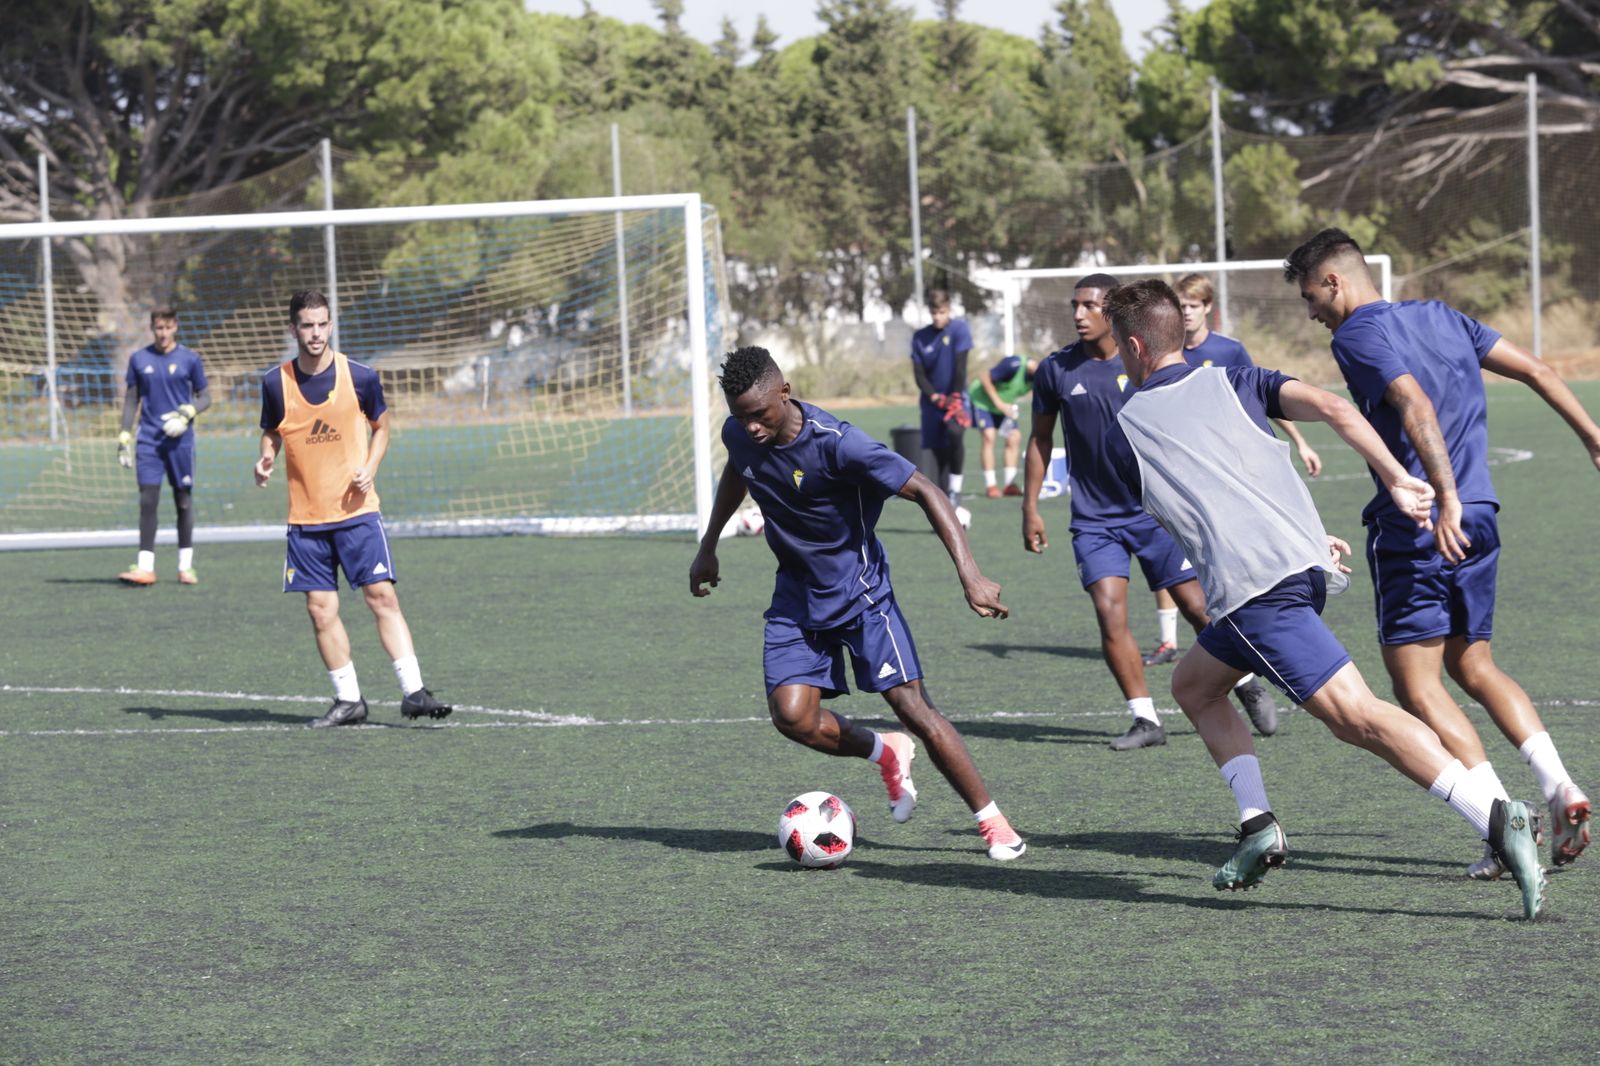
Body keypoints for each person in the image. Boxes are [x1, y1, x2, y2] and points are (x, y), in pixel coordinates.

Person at [1101, 278, 1546, 917]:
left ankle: (1500, 821)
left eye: (1119, 345)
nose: (1119, 357)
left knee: (1356, 717)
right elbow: (1333, 413)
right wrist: (1394, 479)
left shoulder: (1128, 427)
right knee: (1195, 686)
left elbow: (1186, 510)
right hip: (1298, 568)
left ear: (1136, 346)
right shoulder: (1235, 377)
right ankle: (1258, 825)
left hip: (1256, 589)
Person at [1284, 227, 1593, 876]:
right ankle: (1560, 785)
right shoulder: (1442, 315)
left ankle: (1502, 824)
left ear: (1334, 281)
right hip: (1482, 514)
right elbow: (1537, 370)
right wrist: (1592, 435)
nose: (1311, 312)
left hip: (1423, 522)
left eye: (1311, 296)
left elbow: (1413, 402)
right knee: (1474, 665)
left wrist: (1441, 496)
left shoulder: (1357, 335)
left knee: (1415, 685)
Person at [690, 346, 1026, 861]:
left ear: (785, 392)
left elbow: (928, 491)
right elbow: (740, 469)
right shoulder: (739, 433)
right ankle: (884, 750)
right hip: (796, 596)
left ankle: (993, 821)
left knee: (914, 708)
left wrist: (971, 576)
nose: (751, 427)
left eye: (760, 415)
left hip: (862, 595)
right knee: (793, 717)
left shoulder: (841, 445)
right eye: (741, 417)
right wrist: (709, 544)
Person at [1022, 274, 1279, 750]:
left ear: (1114, 312)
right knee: (1108, 611)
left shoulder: (1146, 365)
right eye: (1074, 305)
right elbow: (1040, 438)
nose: (1078, 314)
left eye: (1089, 306)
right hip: (1095, 520)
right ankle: (1145, 719)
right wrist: (1030, 506)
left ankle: (1245, 682)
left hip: (1156, 514)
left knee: (1201, 608)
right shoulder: (1058, 369)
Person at [253, 289, 452, 728]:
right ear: (293, 329)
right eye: (307, 325)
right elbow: (272, 432)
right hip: (306, 521)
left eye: (322, 324)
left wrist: (370, 467)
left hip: (357, 514)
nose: (316, 333)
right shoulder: (275, 382)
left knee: (382, 596)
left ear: (331, 325)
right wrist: (266, 456)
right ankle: (348, 700)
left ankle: (414, 692)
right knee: (320, 610)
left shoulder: (360, 377)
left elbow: (382, 427)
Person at [1138, 274, 1328, 666]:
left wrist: (1300, 441)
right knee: (1166, 542)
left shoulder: (1228, 351)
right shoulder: (1161, 358)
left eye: (1193, 305)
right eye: (1181, 306)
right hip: (1184, 473)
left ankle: (1242, 643)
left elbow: (1265, 398)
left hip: (1231, 468)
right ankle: (1169, 638)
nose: (1187, 312)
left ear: (1207, 307)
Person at [116, 307, 211, 586]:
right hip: (149, 441)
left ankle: (185, 566)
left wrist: (187, 413)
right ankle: (146, 568)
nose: (163, 333)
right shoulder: (139, 359)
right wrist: (124, 435)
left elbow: (205, 397)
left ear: (176, 327)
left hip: (180, 441)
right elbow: (132, 400)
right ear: (152, 328)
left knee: (183, 500)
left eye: (168, 328)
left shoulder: (190, 359)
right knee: (148, 500)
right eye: (159, 328)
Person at [909, 289, 973, 523]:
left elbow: (960, 366)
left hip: (956, 400)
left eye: (942, 312)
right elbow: (919, 375)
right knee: (937, 454)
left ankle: (955, 490)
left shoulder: (960, 330)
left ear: (949, 310)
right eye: (934, 313)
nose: (938, 317)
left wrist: (955, 397)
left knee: (955, 434)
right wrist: (936, 398)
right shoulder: (919, 337)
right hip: (931, 404)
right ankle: (947, 503)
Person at [969, 354, 1038, 498]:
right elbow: (985, 378)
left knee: (1014, 437)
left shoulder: (1036, 379)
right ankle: (991, 485)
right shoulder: (1014, 365)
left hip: (1004, 406)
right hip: (983, 402)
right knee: (989, 436)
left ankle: (1010, 484)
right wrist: (999, 404)